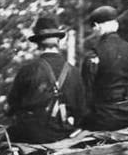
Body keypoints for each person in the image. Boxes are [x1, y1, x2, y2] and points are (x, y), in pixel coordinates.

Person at [6, 14, 85, 144]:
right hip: (64, 133)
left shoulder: (28, 70)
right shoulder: (74, 72)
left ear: (38, 43)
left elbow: (12, 105)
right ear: (58, 42)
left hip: (32, 135)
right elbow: (81, 110)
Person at [81, 5, 128, 131]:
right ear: (116, 24)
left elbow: (86, 93)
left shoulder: (93, 54)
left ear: (97, 26)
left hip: (105, 118)